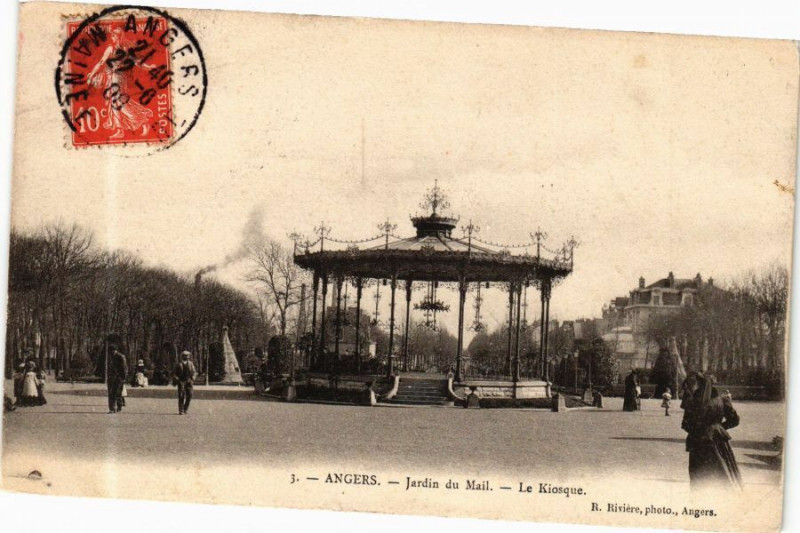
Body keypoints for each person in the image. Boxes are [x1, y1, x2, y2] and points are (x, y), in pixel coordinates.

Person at [680, 373, 742, 490]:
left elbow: (685, 424)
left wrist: (699, 429)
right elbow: (735, 420)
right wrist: (718, 428)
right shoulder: (723, 400)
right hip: (718, 442)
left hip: (698, 443)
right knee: (722, 473)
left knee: (699, 476)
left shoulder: (693, 403)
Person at [107, 348, 128, 413]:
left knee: (114, 393)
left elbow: (124, 368)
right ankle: (117, 407)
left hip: (118, 378)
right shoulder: (113, 356)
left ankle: (114, 408)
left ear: (114, 350)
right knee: (116, 393)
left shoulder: (120, 357)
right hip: (114, 378)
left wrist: (123, 377)